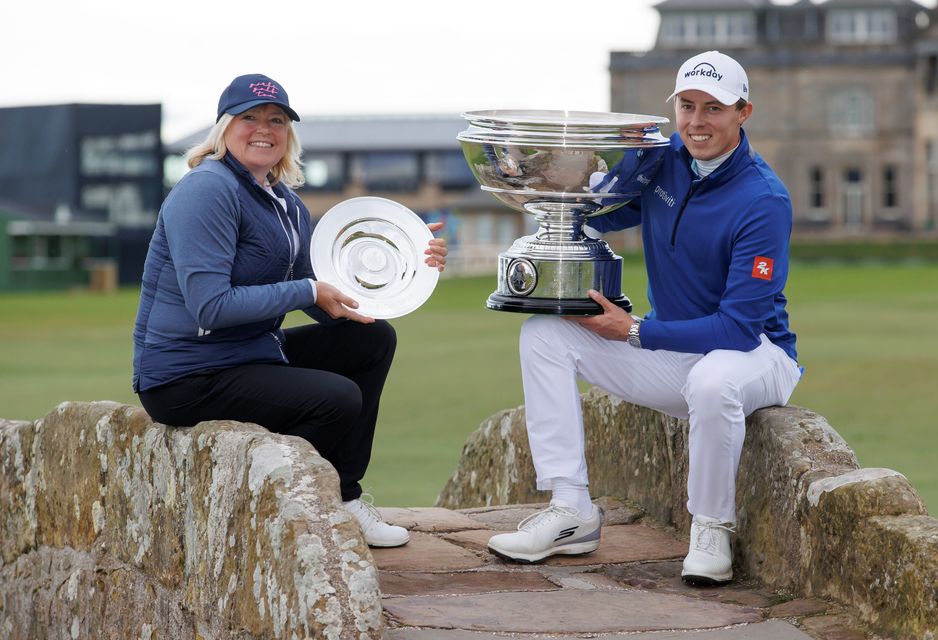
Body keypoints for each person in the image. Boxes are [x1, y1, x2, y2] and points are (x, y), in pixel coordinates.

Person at [487, 51, 802, 585]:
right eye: (686, 106)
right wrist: (559, 183)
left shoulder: (764, 200)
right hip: (674, 353)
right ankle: (572, 511)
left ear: (743, 112)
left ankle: (711, 527)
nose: (697, 122)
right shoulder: (668, 157)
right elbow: (603, 212)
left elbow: (739, 328)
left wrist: (632, 330)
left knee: (712, 379)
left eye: (713, 109)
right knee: (544, 332)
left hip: (757, 357)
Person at [132, 73, 447, 548]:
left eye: (276, 119)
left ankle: (343, 496)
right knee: (336, 398)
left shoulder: (287, 203)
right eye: (249, 118)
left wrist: (407, 263)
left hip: (249, 353)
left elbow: (322, 293)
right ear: (224, 128)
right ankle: (299, 509)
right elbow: (210, 307)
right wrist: (307, 291)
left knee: (373, 338)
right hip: (185, 375)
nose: (264, 128)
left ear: (288, 132)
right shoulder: (206, 189)